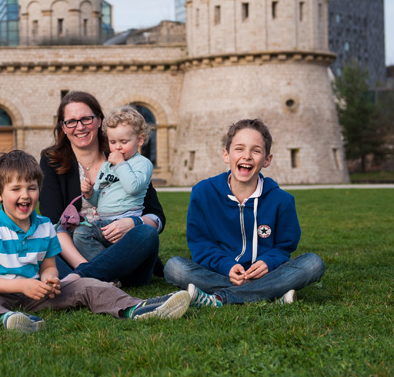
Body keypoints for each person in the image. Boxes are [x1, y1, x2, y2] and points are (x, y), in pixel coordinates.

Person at [0, 150, 190, 332]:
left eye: (31, 188)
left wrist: (50, 279)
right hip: (1, 295)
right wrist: (23, 286)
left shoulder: (45, 226)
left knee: (87, 284)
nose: (25, 195)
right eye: (15, 189)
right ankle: (5, 318)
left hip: (39, 295)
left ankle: (136, 308)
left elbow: (47, 265)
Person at [163, 119, 325, 307]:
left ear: (267, 160)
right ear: (226, 155)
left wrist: (268, 262)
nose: (246, 156)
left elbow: (284, 247)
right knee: (174, 267)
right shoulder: (203, 192)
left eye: (256, 151)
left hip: (267, 273)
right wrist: (227, 266)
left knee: (313, 263)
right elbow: (201, 244)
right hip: (221, 272)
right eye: (239, 149)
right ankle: (270, 293)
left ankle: (219, 298)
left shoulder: (282, 200)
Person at [39, 91, 166, 287]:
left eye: (86, 119)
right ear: (63, 127)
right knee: (41, 250)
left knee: (147, 234)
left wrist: (133, 223)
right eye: (71, 122)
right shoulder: (51, 160)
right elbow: (54, 223)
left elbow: (156, 215)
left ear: (99, 121)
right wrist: (88, 266)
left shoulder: (124, 153)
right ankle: (96, 276)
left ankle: (85, 280)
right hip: (78, 252)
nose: (79, 127)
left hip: (126, 252)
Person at [75, 105, 154, 261]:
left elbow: (133, 187)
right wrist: (90, 193)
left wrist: (120, 165)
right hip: (104, 222)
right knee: (80, 234)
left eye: (123, 141)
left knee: (84, 234)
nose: (117, 147)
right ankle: (110, 269)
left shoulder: (142, 163)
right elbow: (97, 200)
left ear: (140, 139)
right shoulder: (107, 165)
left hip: (127, 221)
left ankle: (107, 269)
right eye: (113, 141)